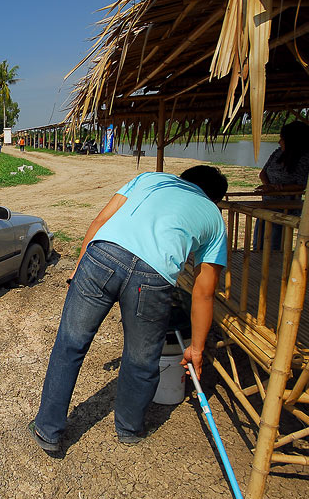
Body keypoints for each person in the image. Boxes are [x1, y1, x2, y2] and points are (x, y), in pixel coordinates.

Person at [28, 166, 228, 451]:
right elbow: (204, 291)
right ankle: (129, 429)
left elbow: (100, 220)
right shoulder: (214, 218)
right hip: (154, 276)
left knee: (70, 344)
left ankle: (47, 430)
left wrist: (78, 270)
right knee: (141, 358)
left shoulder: (151, 178)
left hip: (102, 256)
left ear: (182, 178)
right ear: (215, 198)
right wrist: (196, 349)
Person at [254, 120, 309, 250]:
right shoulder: (277, 153)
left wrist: (278, 188)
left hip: (286, 208)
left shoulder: (305, 158)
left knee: (275, 245)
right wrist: (269, 187)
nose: (279, 142)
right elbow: (263, 173)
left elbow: (301, 184)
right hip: (267, 204)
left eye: (283, 139)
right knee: (258, 243)